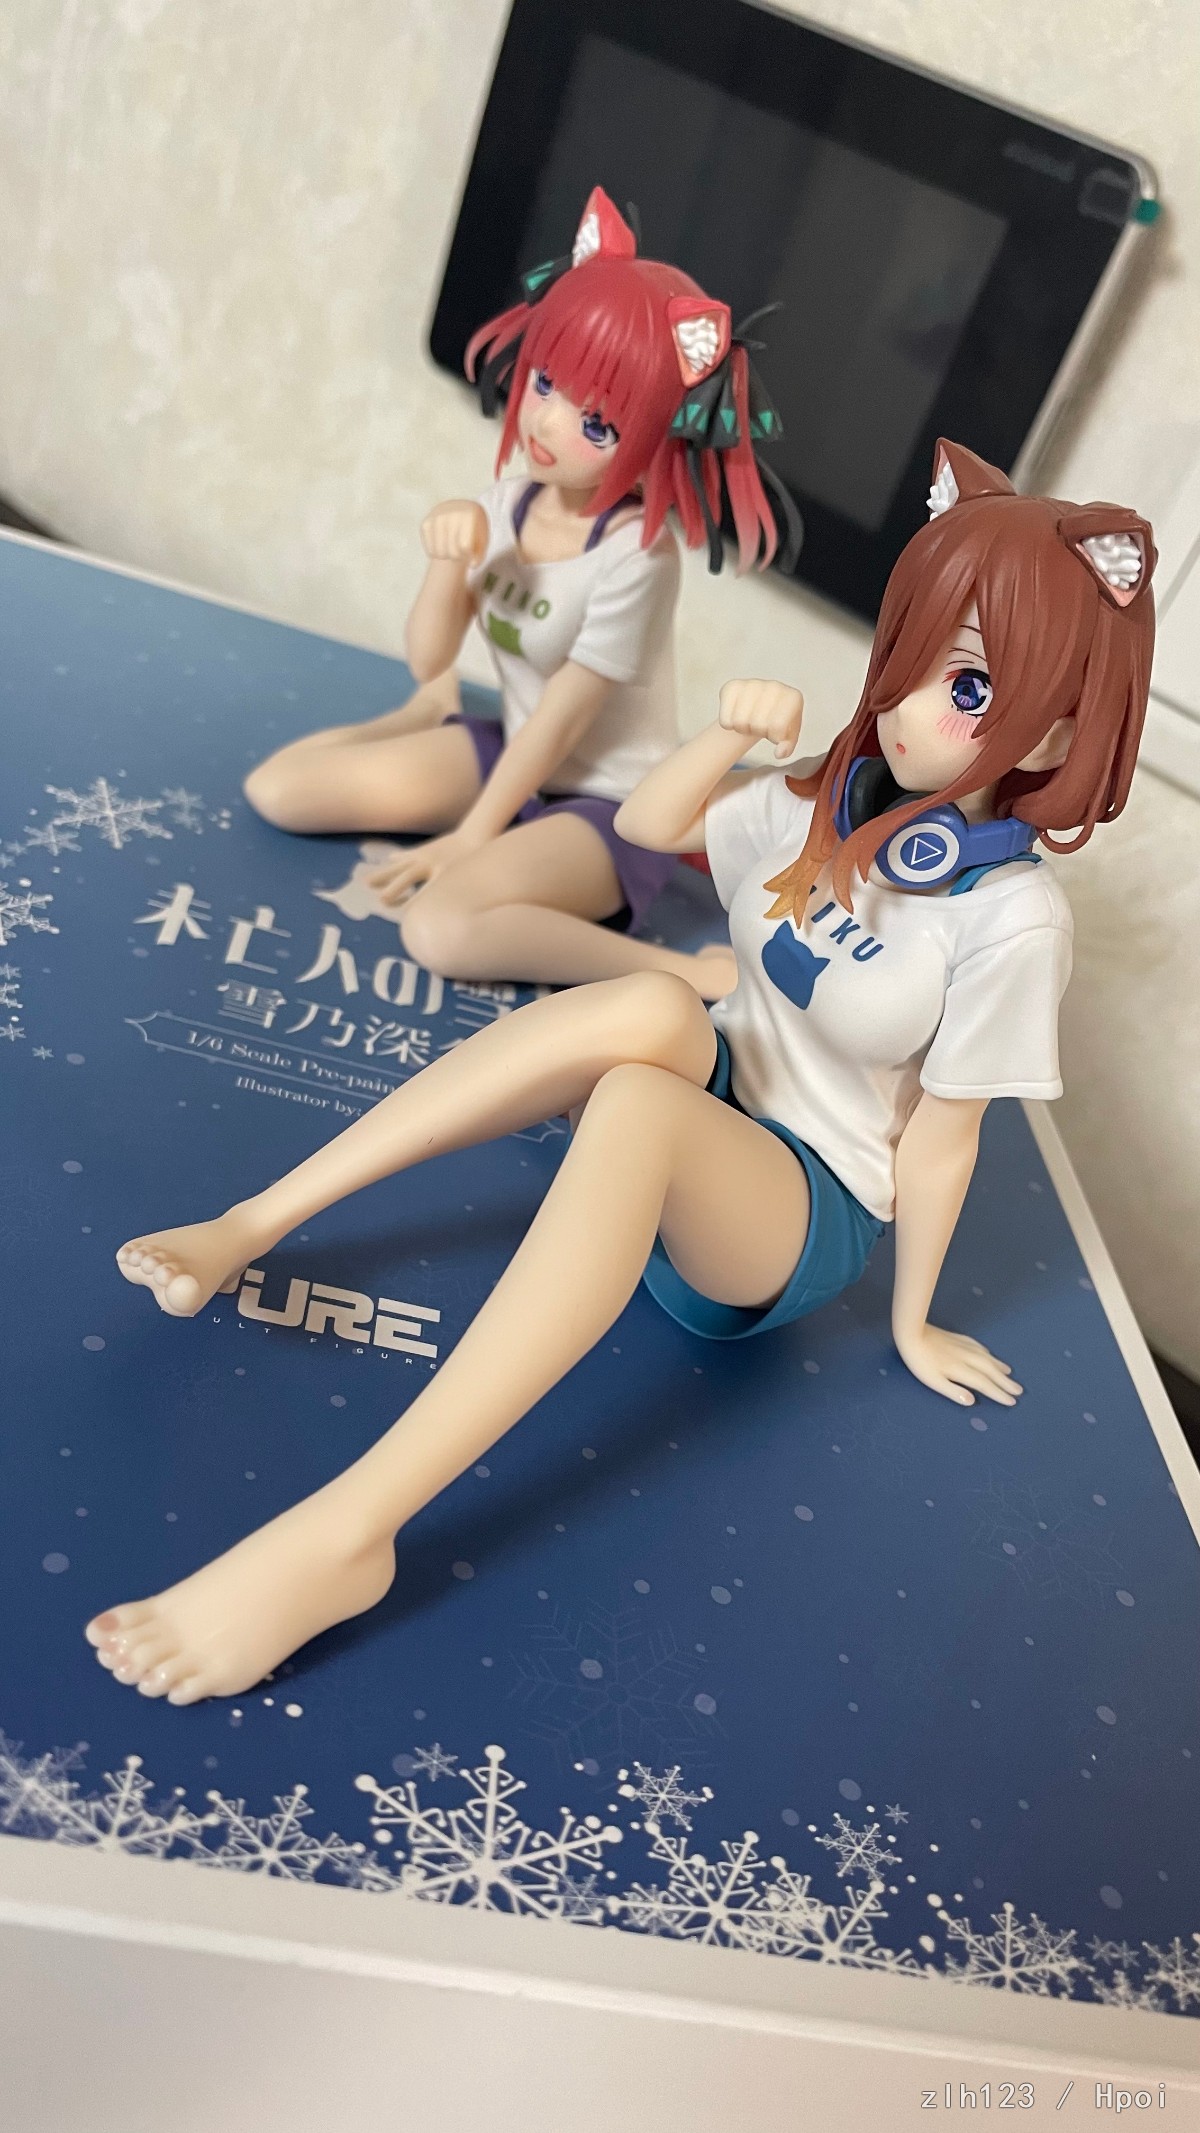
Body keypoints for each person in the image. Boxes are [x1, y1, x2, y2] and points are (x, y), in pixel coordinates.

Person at [91, 439, 1155, 1707]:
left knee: (643, 1099)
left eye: (968, 686)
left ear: (1063, 725)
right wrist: (724, 736)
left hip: (792, 1212)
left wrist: (912, 1319)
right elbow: (650, 831)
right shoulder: (835, 798)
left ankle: (349, 1534)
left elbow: (943, 1138)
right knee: (653, 1001)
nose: (912, 705)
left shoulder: (1013, 921)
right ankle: (254, 1222)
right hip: (713, 1091)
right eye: (914, 654)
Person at [241, 186, 790, 1000]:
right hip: (511, 752)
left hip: (610, 806)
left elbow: (564, 716)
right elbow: (430, 657)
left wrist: (473, 835)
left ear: (652, 439)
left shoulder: (638, 558)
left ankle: (690, 973)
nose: (546, 423)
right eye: (544, 383)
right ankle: (426, 727)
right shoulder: (508, 503)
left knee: (440, 927)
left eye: (597, 424)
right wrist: (443, 568)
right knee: (280, 790)